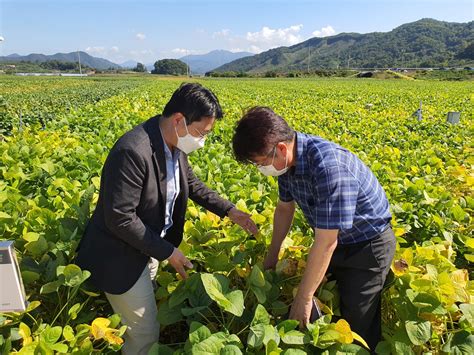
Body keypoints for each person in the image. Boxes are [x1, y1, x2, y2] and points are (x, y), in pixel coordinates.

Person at [76, 83, 258, 354]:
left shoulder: (174, 144)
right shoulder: (133, 151)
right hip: (120, 255)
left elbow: (191, 184)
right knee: (145, 333)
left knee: (144, 316)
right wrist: (168, 252)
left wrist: (230, 210)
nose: (202, 140)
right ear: (178, 120)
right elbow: (120, 218)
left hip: (148, 246)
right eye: (201, 132)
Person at [231, 106, 395, 351]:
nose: (261, 169)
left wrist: (304, 298)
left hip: (367, 246)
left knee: (356, 324)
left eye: (260, 163)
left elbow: (327, 242)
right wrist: (271, 257)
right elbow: (285, 209)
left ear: (282, 148)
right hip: (337, 242)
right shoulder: (288, 164)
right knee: (326, 308)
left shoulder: (328, 167)